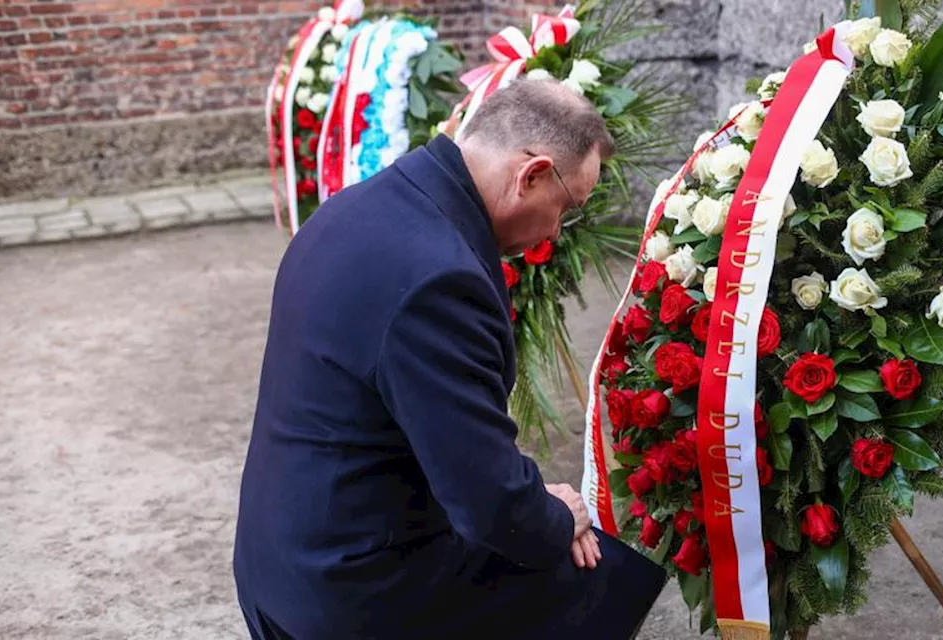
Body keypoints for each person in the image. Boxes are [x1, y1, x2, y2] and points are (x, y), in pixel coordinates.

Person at [232, 79, 666, 639]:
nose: (557, 232)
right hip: (349, 590)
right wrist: (560, 515)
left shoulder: (361, 204)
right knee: (599, 576)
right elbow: (491, 507)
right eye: (567, 209)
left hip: (283, 554)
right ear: (530, 176)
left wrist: (528, 498)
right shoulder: (440, 279)